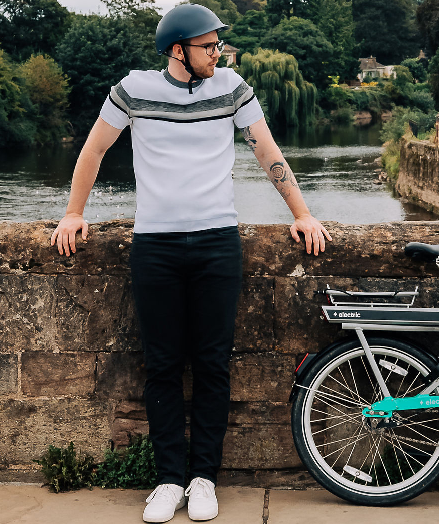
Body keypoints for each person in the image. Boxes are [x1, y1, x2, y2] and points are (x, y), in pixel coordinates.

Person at [49, 4, 331, 522]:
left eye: (218, 45)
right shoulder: (133, 89)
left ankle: (203, 478)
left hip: (216, 242)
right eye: (208, 45)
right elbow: (93, 151)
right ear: (178, 50)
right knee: (160, 366)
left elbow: (266, 150)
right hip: (154, 245)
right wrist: (72, 213)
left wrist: (304, 213)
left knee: (212, 363)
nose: (217, 52)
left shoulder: (231, 87)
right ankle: (168, 480)